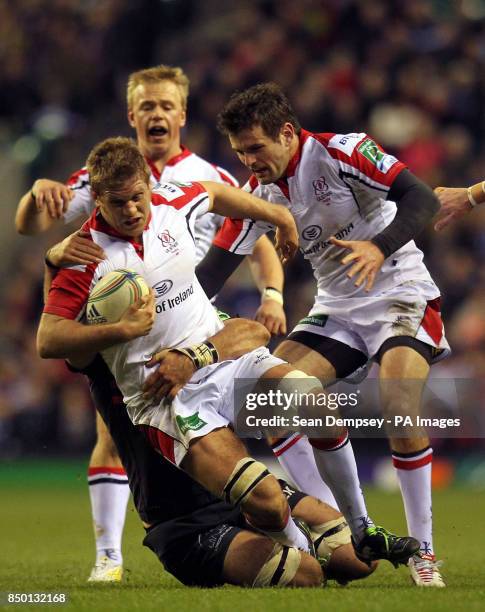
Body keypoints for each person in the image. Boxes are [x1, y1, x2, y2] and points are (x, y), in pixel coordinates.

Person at [37, 137, 418, 573]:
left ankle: (363, 527)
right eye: (118, 203)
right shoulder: (83, 257)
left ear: (148, 186)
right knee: (274, 511)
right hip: (168, 398)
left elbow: (215, 193)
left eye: (137, 197)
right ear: (98, 201)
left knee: (314, 400)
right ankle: (301, 552)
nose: (131, 211)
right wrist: (120, 330)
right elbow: (48, 339)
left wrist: (275, 214)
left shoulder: (172, 202)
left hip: (220, 360)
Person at [15, 65, 286, 582]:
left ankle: (281, 518)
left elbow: (258, 239)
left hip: (192, 321)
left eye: (166, 105)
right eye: (147, 106)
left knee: (242, 420)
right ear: (132, 115)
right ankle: (108, 559)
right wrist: (37, 194)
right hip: (123, 329)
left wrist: (273, 293)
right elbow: (32, 223)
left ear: (181, 114)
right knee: (113, 435)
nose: (156, 113)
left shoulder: (208, 178)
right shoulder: (107, 175)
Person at [197, 82, 448, 587]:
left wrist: (377, 247)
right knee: (271, 398)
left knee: (400, 403)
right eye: (241, 152)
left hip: (401, 291)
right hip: (338, 307)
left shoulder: (343, 152)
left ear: (287, 133)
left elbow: (421, 199)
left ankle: (424, 552)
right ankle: (341, 528)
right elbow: (213, 272)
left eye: (256, 148)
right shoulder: (257, 194)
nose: (249, 161)